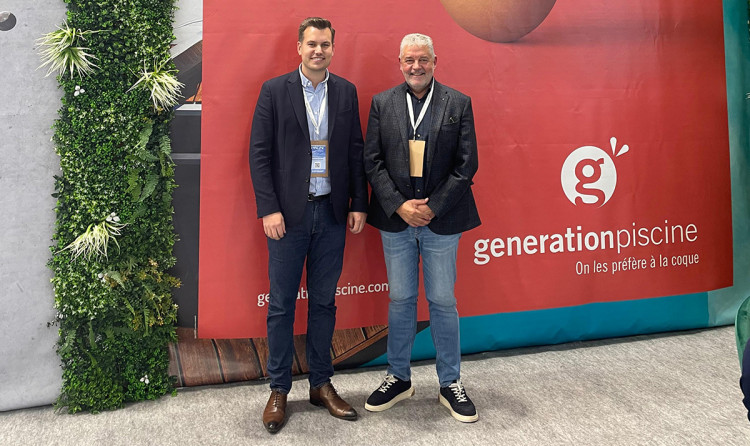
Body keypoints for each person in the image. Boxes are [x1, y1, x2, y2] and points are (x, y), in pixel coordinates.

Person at [248, 17, 368, 434]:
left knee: (324, 303)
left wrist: (359, 203)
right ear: (299, 47)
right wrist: (269, 208)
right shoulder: (274, 91)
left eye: (326, 45)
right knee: (281, 305)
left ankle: (321, 384)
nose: (319, 51)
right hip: (289, 216)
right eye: (312, 44)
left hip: (332, 213)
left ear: (334, 48)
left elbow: (356, 151)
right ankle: (279, 388)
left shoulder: (346, 92)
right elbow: (259, 154)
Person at [363, 33, 481, 423]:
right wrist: (399, 206)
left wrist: (432, 208)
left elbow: (467, 166)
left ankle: (450, 383)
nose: (416, 67)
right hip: (395, 221)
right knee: (400, 300)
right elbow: (372, 162)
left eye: (423, 60)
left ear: (435, 61)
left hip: (441, 221)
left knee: (443, 300)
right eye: (409, 60)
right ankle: (398, 377)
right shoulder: (382, 103)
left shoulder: (458, 103)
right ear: (399, 62)